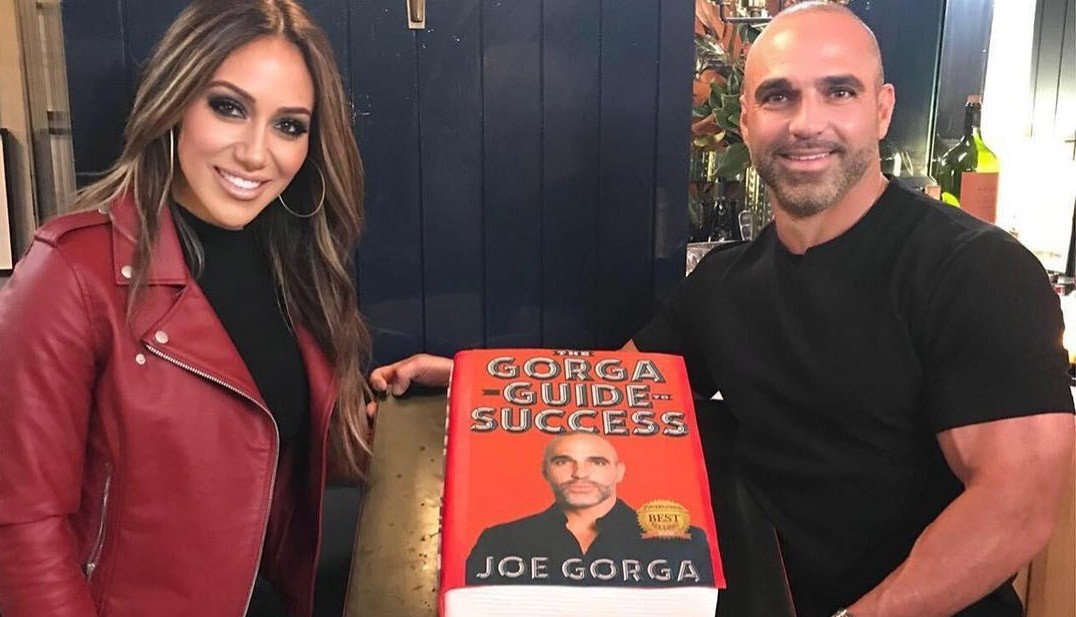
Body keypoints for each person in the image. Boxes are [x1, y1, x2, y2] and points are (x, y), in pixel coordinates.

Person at [371, 3, 1075, 616]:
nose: (807, 123)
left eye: (839, 92)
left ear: (882, 110)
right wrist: (471, 378)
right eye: (778, 96)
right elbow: (610, 390)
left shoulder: (974, 269)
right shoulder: (727, 282)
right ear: (746, 118)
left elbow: (1015, 505)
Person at [0, 1, 373, 615]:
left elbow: (257, 444)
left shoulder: (291, 260)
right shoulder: (68, 273)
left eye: (288, 126)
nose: (256, 154)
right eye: (229, 107)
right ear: (175, 101)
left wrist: (381, 405)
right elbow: (22, 530)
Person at [465, 432, 714, 587]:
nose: (580, 474)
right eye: (563, 461)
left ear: (619, 472)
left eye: (597, 462)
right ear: (545, 471)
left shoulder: (685, 542)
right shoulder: (498, 541)